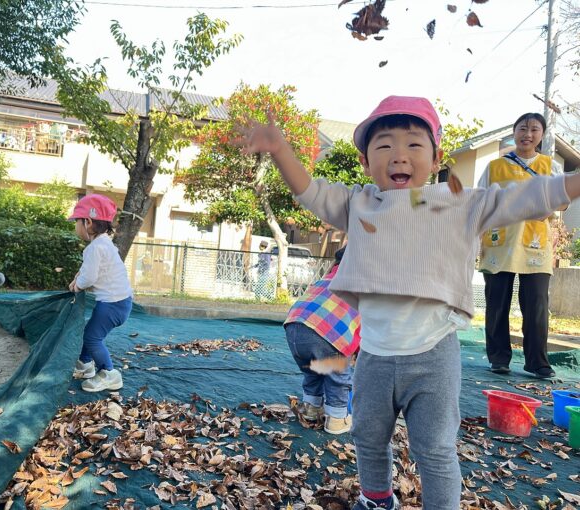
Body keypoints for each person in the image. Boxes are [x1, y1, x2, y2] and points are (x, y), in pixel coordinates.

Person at [236, 95, 578, 509]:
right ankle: (377, 499)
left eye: (414, 145)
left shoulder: (460, 203)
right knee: (367, 434)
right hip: (375, 356)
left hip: (433, 355)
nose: (399, 154)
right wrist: (280, 150)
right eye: (384, 146)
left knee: (434, 448)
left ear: (436, 161)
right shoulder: (359, 203)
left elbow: (531, 196)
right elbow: (311, 192)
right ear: (365, 162)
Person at [478, 113, 565, 379]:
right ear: (514, 132)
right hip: (498, 242)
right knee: (497, 303)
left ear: (541, 135)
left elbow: (563, 200)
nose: (527, 134)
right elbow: (480, 200)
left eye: (534, 129)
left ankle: (538, 362)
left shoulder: (550, 166)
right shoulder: (494, 166)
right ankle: (498, 358)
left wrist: (548, 208)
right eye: (522, 128)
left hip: (534, 244)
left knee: (537, 304)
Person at [284, 246, 361, 435]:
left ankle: (311, 408)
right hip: (327, 333)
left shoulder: (326, 278)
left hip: (294, 326)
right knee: (338, 377)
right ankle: (336, 418)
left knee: (313, 370)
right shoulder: (365, 285)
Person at [69, 194, 134, 393]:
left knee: (91, 338)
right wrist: (80, 276)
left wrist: (76, 286)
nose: (75, 227)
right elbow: (91, 269)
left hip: (112, 305)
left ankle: (109, 374)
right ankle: (85, 364)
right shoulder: (104, 243)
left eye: (77, 222)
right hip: (120, 302)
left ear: (88, 222)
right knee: (91, 332)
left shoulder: (95, 248)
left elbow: (88, 277)